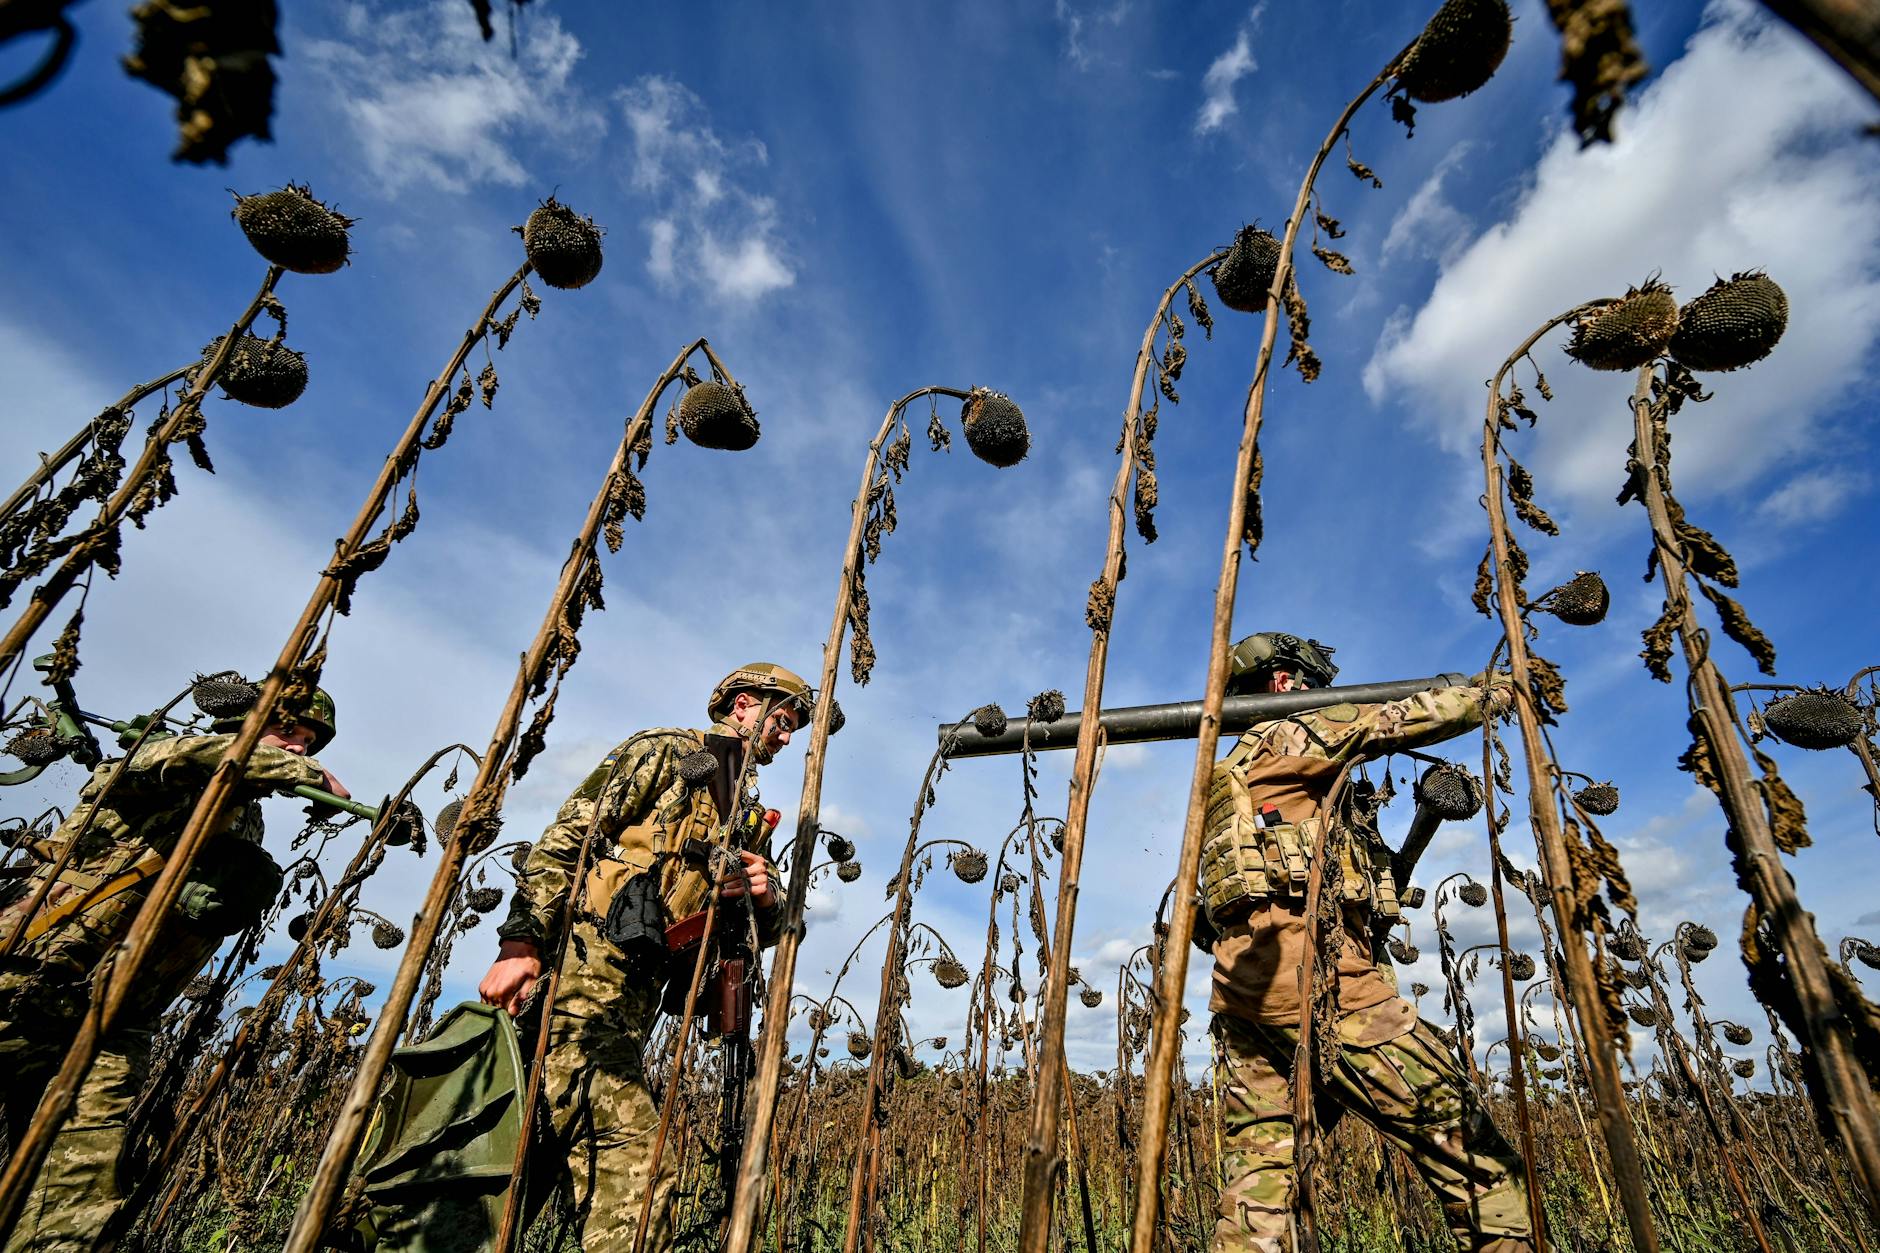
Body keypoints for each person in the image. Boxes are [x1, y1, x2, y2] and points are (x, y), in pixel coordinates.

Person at [1200, 632, 1535, 1253]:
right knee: (1475, 1155)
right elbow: (1410, 716)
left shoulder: (1227, 780)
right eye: (1312, 685)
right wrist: (1496, 690)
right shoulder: (1292, 733)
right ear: (1284, 683)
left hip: (1245, 1000)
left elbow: (1208, 917)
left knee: (1259, 1189)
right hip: (1323, 984)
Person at [480, 662, 812, 1253]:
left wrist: (766, 896)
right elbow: (569, 836)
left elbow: (774, 931)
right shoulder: (668, 752)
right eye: (782, 721)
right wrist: (521, 944)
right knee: (640, 1175)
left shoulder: (745, 817)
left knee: (516, 1179)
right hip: (584, 980)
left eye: (792, 729)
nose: (786, 739)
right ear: (743, 704)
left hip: (638, 1004)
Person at [0, 689, 347, 1253]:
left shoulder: (246, 822)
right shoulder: (167, 762)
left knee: (74, 1199)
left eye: (308, 742)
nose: (299, 747)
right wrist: (298, 770)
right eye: (288, 731)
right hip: (27, 979)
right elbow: (183, 759)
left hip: (115, 1023)